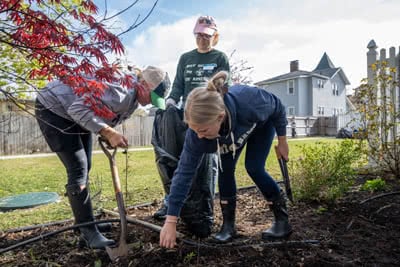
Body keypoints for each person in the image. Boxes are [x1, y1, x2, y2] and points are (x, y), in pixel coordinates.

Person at [35, 66, 169, 249]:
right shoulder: (120, 91)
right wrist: (108, 132)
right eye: (152, 97)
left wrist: (107, 133)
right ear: (143, 84)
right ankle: (88, 232)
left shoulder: (133, 99)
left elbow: (99, 112)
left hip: (71, 114)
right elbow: (77, 108)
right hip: (53, 108)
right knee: (78, 168)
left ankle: (83, 223)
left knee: (84, 167)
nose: (150, 103)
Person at [159, 71, 293, 248]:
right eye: (194, 130)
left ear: (220, 117)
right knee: (225, 170)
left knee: (254, 168)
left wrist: (282, 141)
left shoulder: (250, 101)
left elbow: (278, 107)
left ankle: (282, 221)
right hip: (227, 136)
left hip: (260, 125)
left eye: (203, 131)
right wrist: (171, 221)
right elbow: (183, 174)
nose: (198, 137)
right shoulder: (198, 135)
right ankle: (228, 227)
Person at [153, 15, 231, 220]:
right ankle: (172, 203)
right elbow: (178, 84)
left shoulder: (220, 58)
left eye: (206, 36)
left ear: (214, 36)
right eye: (198, 35)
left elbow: (223, 88)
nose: (201, 39)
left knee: (208, 161)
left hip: (209, 115)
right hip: (188, 117)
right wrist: (171, 102)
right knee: (182, 161)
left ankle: (203, 207)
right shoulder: (185, 58)